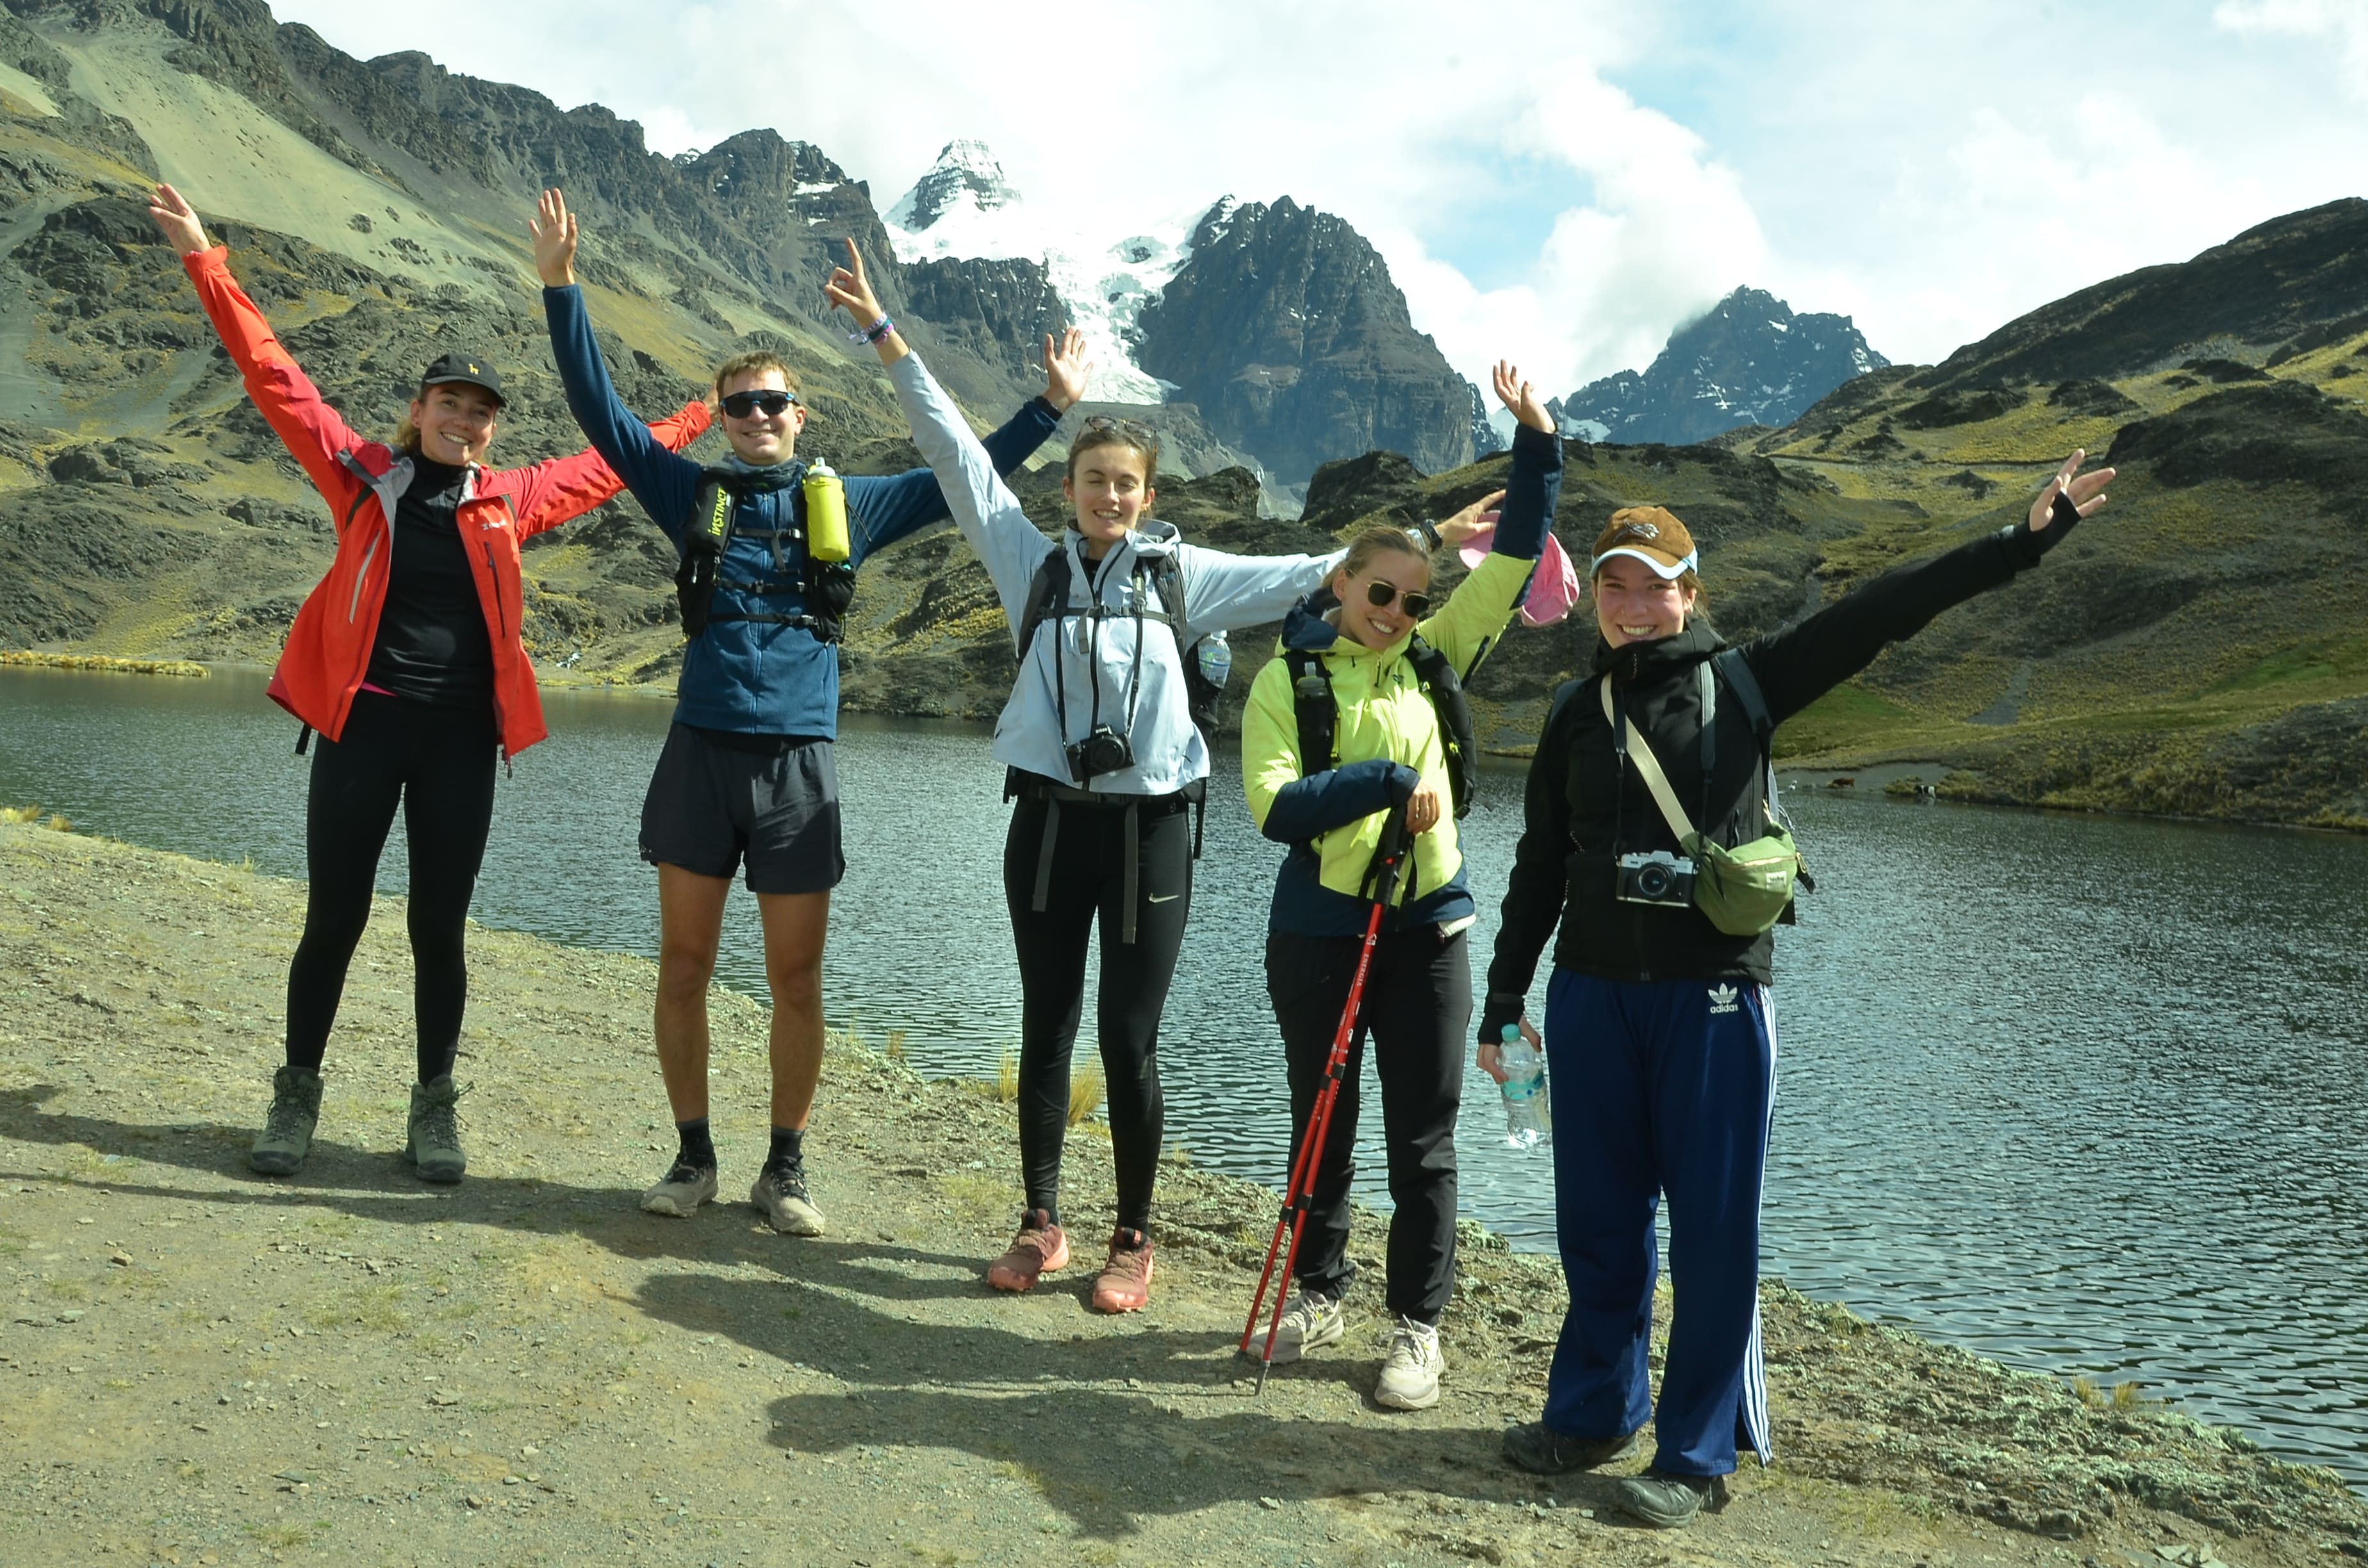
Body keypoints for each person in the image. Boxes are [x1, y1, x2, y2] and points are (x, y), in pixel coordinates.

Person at [1479, 450, 2114, 1525]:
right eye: (1616, 586)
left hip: (1715, 997)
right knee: (1598, 1219)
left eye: (1656, 583)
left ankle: (1697, 1454)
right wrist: (1504, 1000)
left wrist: (2018, 545)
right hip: (1591, 994)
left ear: (1692, 589)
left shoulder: (1747, 681)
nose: (1636, 607)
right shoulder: (1573, 713)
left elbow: (1886, 612)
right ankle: (1592, 1414)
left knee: (1714, 1229)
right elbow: (1541, 862)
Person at [144, 183, 712, 1184]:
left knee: (438, 929)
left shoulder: (510, 501)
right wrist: (206, 259)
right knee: (335, 915)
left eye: (482, 411)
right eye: (450, 402)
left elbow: (608, 464)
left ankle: (434, 1111)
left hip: (460, 746)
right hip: (362, 731)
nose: (466, 419)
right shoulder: (361, 474)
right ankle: (295, 1096)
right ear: (418, 410)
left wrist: (704, 413)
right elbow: (275, 377)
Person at [531, 192, 1073, 1236]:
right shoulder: (687, 490)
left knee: (796, 976)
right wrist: (562, 290)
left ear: (800, 413)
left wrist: (1047, 411)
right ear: (721, 416)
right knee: (683, 967)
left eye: (774, 404)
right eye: (740, 407)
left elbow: (967, 473)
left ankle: (786, 1167)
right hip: (700, 757)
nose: (758, 420)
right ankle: (692, 1156)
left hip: (797, 771)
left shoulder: (855, 505)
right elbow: (600, 411)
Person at [819, 240, 1343, 1312]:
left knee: (1130, 1040)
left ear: (1149, 499)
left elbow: (1314, 573)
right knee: (1046, 1023)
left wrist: (1445, 544)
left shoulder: (1184, 576)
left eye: (1127, 485)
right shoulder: (1033, 563)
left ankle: (1133, 1239)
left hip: (1151, 834)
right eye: (1095, 480)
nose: (1110, 495)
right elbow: (957, 455)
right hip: (1050, 828)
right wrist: (886, 338)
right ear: (1070, 488)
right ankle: (1040, 1223)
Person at [1237, 361, 1557, 1410]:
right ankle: (1318, 1293)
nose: (1397, 612)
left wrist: (1537, 445)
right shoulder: (1288, 680)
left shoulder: (1436, 657)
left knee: (1422, 1137)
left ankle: (1417, 1329)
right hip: (1320, 929)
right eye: (1379, 593)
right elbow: (1278, 808)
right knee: (1320, 1116)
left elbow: (1511, 563)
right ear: (1338, 587)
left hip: (1427, 928)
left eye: (1415, 600)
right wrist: (1383, 782)